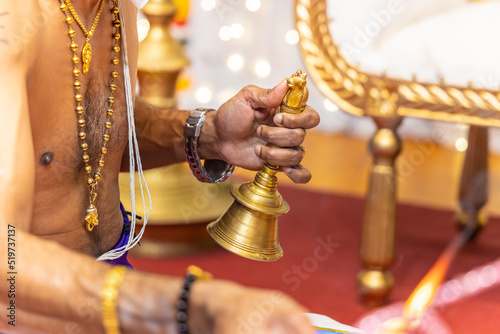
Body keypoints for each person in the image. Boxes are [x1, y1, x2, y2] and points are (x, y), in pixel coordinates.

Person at [0, 0, 320, 333]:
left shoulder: (116, 8)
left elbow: (91, 130)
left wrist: (212, 135)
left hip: (111, 284)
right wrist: (188, 303)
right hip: (25, 310)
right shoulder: (11, 23)